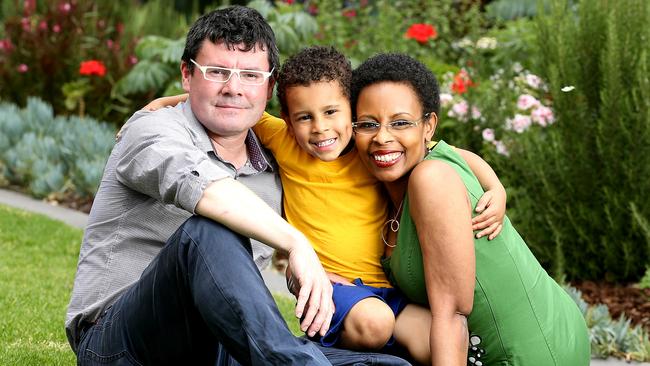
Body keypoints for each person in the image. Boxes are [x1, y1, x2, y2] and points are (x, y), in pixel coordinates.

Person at [146, 46, 507, 363]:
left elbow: (450, 156)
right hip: (329, 289)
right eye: (305, 117)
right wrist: (169, 102)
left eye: (332, 112)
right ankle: (323, 354)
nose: (319, 128)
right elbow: (234, 106)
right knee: (375, 323)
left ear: (352, 111)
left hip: (386, 291)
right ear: (288, 120)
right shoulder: (282, 138)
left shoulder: (372, 152)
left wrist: (496, 188)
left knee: (446, 345)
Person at [66, 6, 339, 365]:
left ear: (270, 87)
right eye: (217, 72)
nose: (233, 88)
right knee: (209, 230)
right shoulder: (151, 131)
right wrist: (296, 243)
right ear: (187, 75)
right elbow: (199, 185)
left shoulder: (275, 162)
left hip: (219, 345)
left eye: (251, 75)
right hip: (121, 343)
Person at [350, 53, 591, 365]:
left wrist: (497, 188)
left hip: (530, 353)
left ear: (428, 126)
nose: (382, 137)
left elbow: (453, 314)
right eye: (368, 124)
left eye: (400, 123)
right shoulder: (403, 180)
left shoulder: (431, 178)